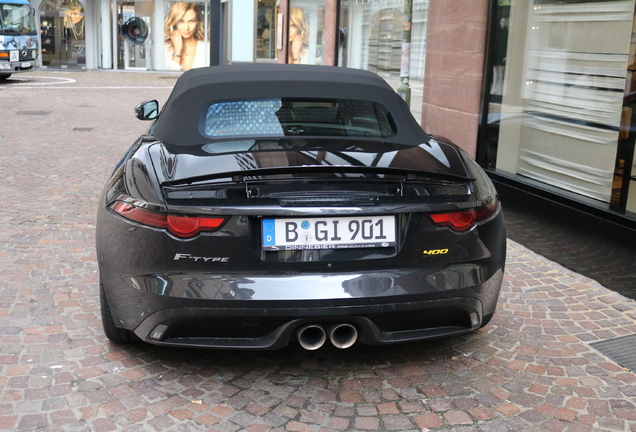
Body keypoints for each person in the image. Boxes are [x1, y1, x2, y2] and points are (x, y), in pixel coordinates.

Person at [164, 2, 207, 71]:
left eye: (191, 21)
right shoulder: (165, 49)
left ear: (197, 22)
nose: (186, 28)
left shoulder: (206, 47)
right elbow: (167, 78)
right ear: (174, 22)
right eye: (181, 21)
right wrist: (177, 51)